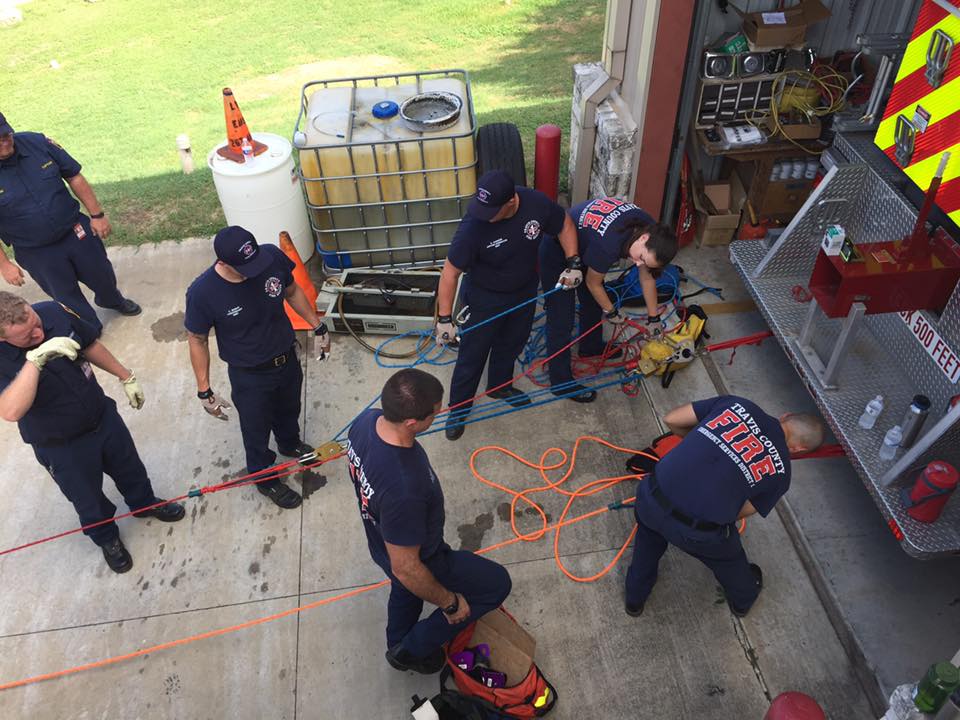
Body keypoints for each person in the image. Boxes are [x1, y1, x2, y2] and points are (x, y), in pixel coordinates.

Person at [0, 292, 184, 574]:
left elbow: (88, 345)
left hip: (102, 417)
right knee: (87, 497)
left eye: (36, 323)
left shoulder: (52, 312)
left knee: (130, 468)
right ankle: (107, 538)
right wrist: (34, 361)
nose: (38, 332)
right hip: (62, 445)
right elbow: (11, 410)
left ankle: (144, 504)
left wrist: (126, 375)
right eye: (27, 336)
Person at [346, 368, 512, 674]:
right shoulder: (404, 488)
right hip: (421, 556)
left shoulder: (366, 422)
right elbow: (407, 567)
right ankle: (412, 649)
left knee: (403, 587)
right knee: (495, 583)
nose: (437, 415)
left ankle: (397, 644)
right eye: (434, 414)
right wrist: (450, 603)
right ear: (412, 422)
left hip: (381, 539)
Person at [624, 395, 824, 617]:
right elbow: (741, 512)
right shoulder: (782, 473)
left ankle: (634, 598)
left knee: (647, 540)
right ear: (798, 449)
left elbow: (672, 419)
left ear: (785, 416)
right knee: (730, 559)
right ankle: (743, 601)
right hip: (694, 532)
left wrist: (706, 450)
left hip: (650, 496)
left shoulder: (737, 404)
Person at [184, 226, 331, 510]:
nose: (255, 271)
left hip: (286, 356)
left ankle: (289, 443)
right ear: (223, 262)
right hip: (250, 374)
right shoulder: (203, 292)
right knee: (256, 429)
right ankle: (264, 478)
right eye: (245, 267)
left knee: (290, 408)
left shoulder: (271, 257)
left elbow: (292, 291)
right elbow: (197, 340)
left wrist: (317, 325)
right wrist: (205, 390)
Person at [435, 170, 579, 441]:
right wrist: (445, 318)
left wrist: (573, 262)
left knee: (512, 342)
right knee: (472, 355)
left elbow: (564, 224)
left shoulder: (536, 204)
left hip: (523, 290)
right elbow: (450, 272)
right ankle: (458, 409)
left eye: (491, 210)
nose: (483, 214)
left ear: (511, 202)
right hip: (483, 297)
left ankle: (499, 387)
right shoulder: (473, 227)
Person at [0, 112, 141, 333]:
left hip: (74, 229)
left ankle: (112, 300)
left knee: (101, 273)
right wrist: (4, 265)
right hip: (36, 251)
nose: (5, 141)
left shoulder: (37, 143)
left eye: (5, 134)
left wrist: (97, 215)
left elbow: (73, 175)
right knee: (64, 293)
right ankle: (88, 325)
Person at [539, 197, 678, 402]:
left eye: (644, 262)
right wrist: (612, 312)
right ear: (643, 238)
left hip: (588, 244)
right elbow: (593, 284)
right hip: (557, 250)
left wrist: (654, 317)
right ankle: (560, 383)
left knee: (594, 303)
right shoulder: (610, 244)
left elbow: (647, 279)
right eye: (640, 258)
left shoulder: (651, 231)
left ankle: (591, 347)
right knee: (561, 318)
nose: (638, 265)